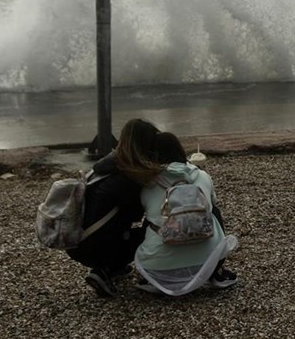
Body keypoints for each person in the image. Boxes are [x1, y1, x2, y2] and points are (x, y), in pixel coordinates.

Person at [118, 131, 239, 296]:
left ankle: (149, 280)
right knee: (213, 211)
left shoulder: (148, 183)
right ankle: (217, 274)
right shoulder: (202, 175)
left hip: (157, 268)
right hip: (208, 263)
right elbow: (213, 202)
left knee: (151, 219)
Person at [67, 118, 159, 298]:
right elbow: (137, 215)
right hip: (93, 247)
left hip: (76, 241)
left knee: (118, 229)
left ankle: (113, 264)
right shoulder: (126, 178)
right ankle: (105, 270)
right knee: (151, 231)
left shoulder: (106, 167)